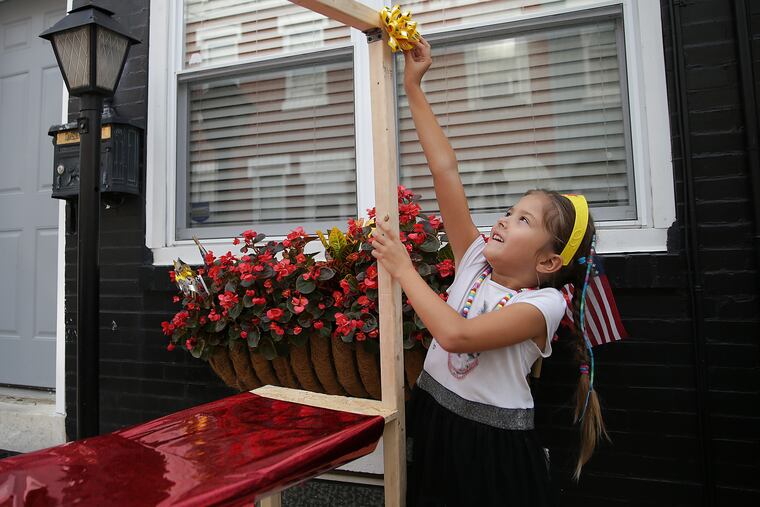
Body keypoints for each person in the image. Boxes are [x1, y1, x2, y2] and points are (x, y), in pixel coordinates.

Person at [370, 36, 606, 506]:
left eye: (523, 221)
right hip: (437, 416)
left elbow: (456, 336)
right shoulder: (476, 258)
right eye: (509, 211)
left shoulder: (543, 305)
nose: (503, 220)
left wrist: (402, 268)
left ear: (547, 262)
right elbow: (445, 171)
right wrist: (413, 85)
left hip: (490, 444)